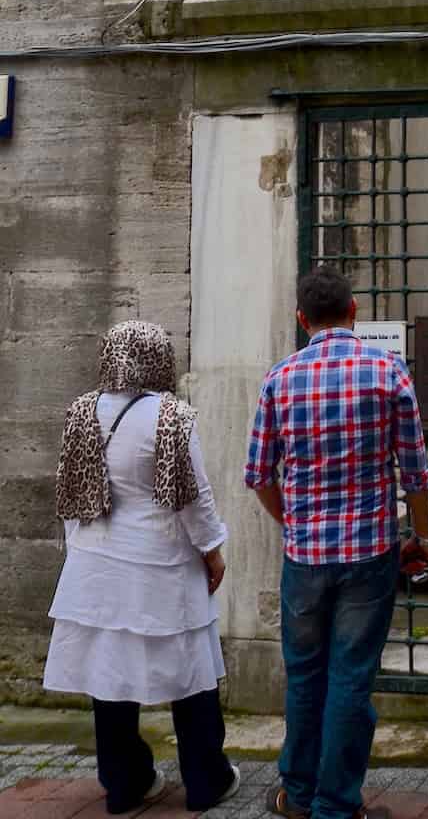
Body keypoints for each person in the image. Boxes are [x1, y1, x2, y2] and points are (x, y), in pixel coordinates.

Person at [245, 268, 428, 819]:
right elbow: (416, 474)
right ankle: (335, 803)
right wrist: (422, 538)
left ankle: (297, 794)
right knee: (351, 676)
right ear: (354, 311)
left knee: (304, 674)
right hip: (369, 553)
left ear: (302, 319)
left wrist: (294, 523)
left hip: (305, 557)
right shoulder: (387, 371)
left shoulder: (280, 379)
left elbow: (258, 475)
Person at [45, 320, 239, 814]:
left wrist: (82, 555)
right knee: (190, 673)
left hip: (97, 564)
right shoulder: (172, 416)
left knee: (110, 678)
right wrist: (212, 550)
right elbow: (193, 498)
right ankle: (204, 780)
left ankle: (125, 784)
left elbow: (70, 495)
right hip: (160, 563)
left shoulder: (80, 413)